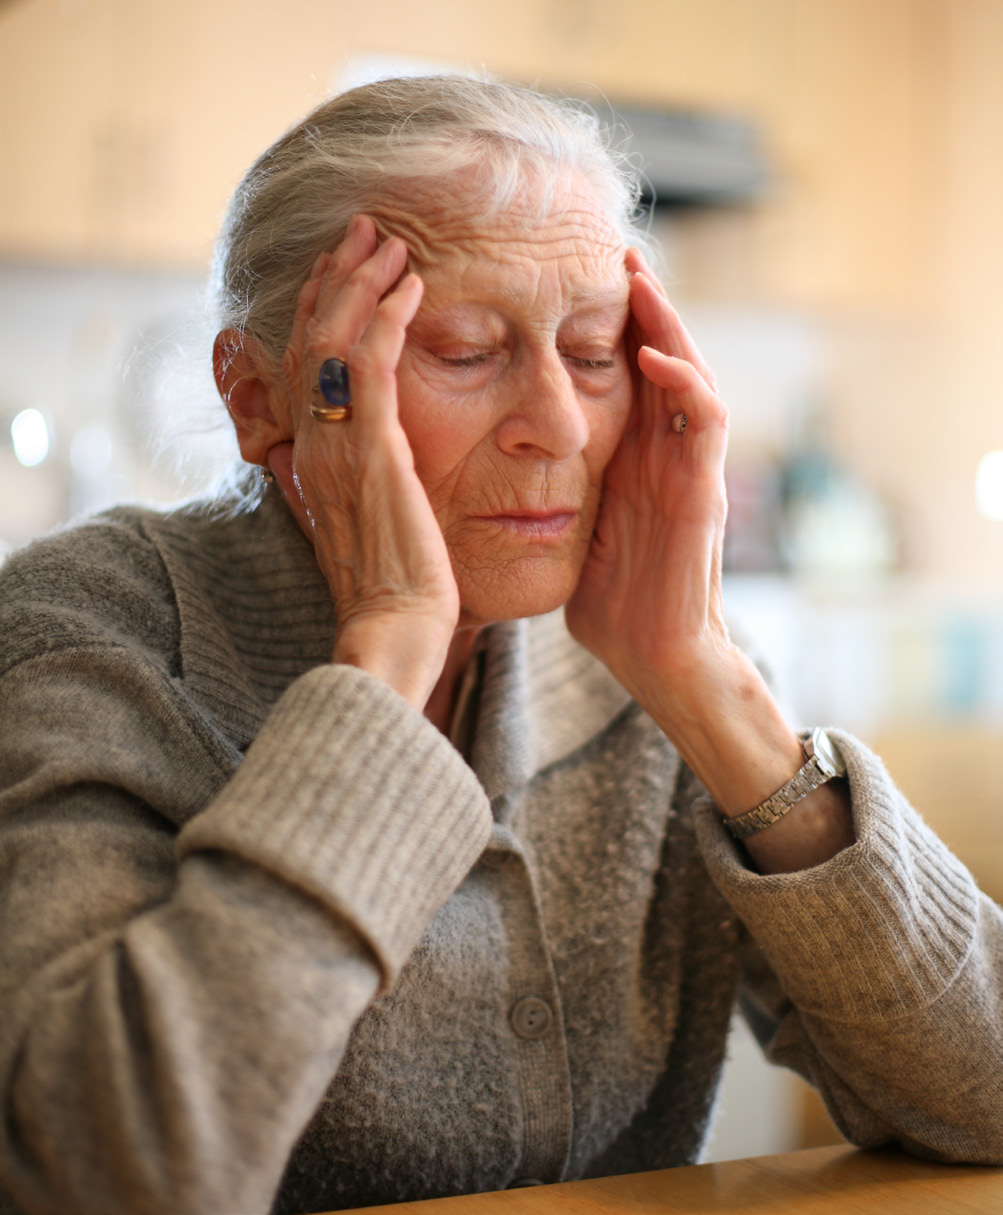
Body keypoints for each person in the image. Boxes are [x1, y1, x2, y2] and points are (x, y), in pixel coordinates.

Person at [0, 75, 999, 1215]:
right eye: (466, 351)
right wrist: (384, 653)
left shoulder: (637, 661)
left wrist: (708, 685)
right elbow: (91, 1173)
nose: (560, 427)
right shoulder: (88, 632)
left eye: (591, 352)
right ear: (259, 395)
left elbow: (987, 1092)